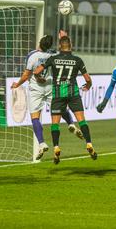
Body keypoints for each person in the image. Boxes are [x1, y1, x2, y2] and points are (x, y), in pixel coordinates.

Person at [11, 34, 84, 161]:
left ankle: (42, 143)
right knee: (60, 108)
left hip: (36, 88)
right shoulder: (54, 55)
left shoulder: (32, 56)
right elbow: (66, 52)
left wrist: (17, 84)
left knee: (35, 116)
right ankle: (71, 123)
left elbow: (26, 74)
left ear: (40, 42)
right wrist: (64, 37)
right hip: (50, 86)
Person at [33, 35, 97, 164]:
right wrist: (88, 85)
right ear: (71, 46)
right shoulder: (77, 60)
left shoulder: (53, 58)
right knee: (81, 120)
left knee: (55, 123)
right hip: (73, 93)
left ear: (59, 47)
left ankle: (56, 147)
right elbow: (87, 79)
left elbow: (36, 71)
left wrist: (40, 78)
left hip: (58, 94)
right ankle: (89, 144)